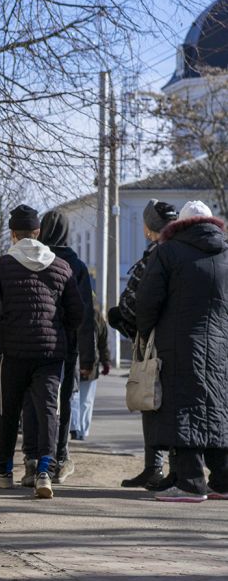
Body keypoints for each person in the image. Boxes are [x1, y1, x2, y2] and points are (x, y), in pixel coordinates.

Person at [0, 205, 84, 500]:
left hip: (11, 351)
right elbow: (77, 312)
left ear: (13, 234)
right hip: (50, 353)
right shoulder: (61, 266)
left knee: (7, 411)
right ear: (38, 233)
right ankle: (44, 471)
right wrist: (59, 330)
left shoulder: (3, 265)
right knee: (49, 410)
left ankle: (4, 470)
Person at [134, 200, 228, 502]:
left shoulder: (168, 252)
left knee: (181, 408)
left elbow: (148, 300)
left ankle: (189, 482)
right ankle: (223, 480)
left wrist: (145, 332)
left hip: (178, 343)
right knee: (217, 410)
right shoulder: (226, 252)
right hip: (221, 346)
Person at [108, 199, 179, 490]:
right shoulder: (184, 253)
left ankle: (155, 467)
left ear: (150, 228)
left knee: (152, 402)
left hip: (155, 343)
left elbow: (132, 304)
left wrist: (120, 320)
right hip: (182, 342)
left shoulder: (155, 255)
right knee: (174, 405)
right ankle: (174, 468)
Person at [38, 209, 95, 483]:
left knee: (39, 402)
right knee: (65, 402)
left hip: (37, 342)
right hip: (68, 345)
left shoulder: (35, 259)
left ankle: (37, 460)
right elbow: (86, 315)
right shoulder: (77, 265)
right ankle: (60, 457)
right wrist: (89, 357)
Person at [70, 299, 111, 441]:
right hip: (90, 363)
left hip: (73, 360)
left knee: (73, 396)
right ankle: (81, 431)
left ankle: (74, 427)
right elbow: (103, 341)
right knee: (86, 400)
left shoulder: (71, 309)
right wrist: (106, 362)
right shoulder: (96, 316)